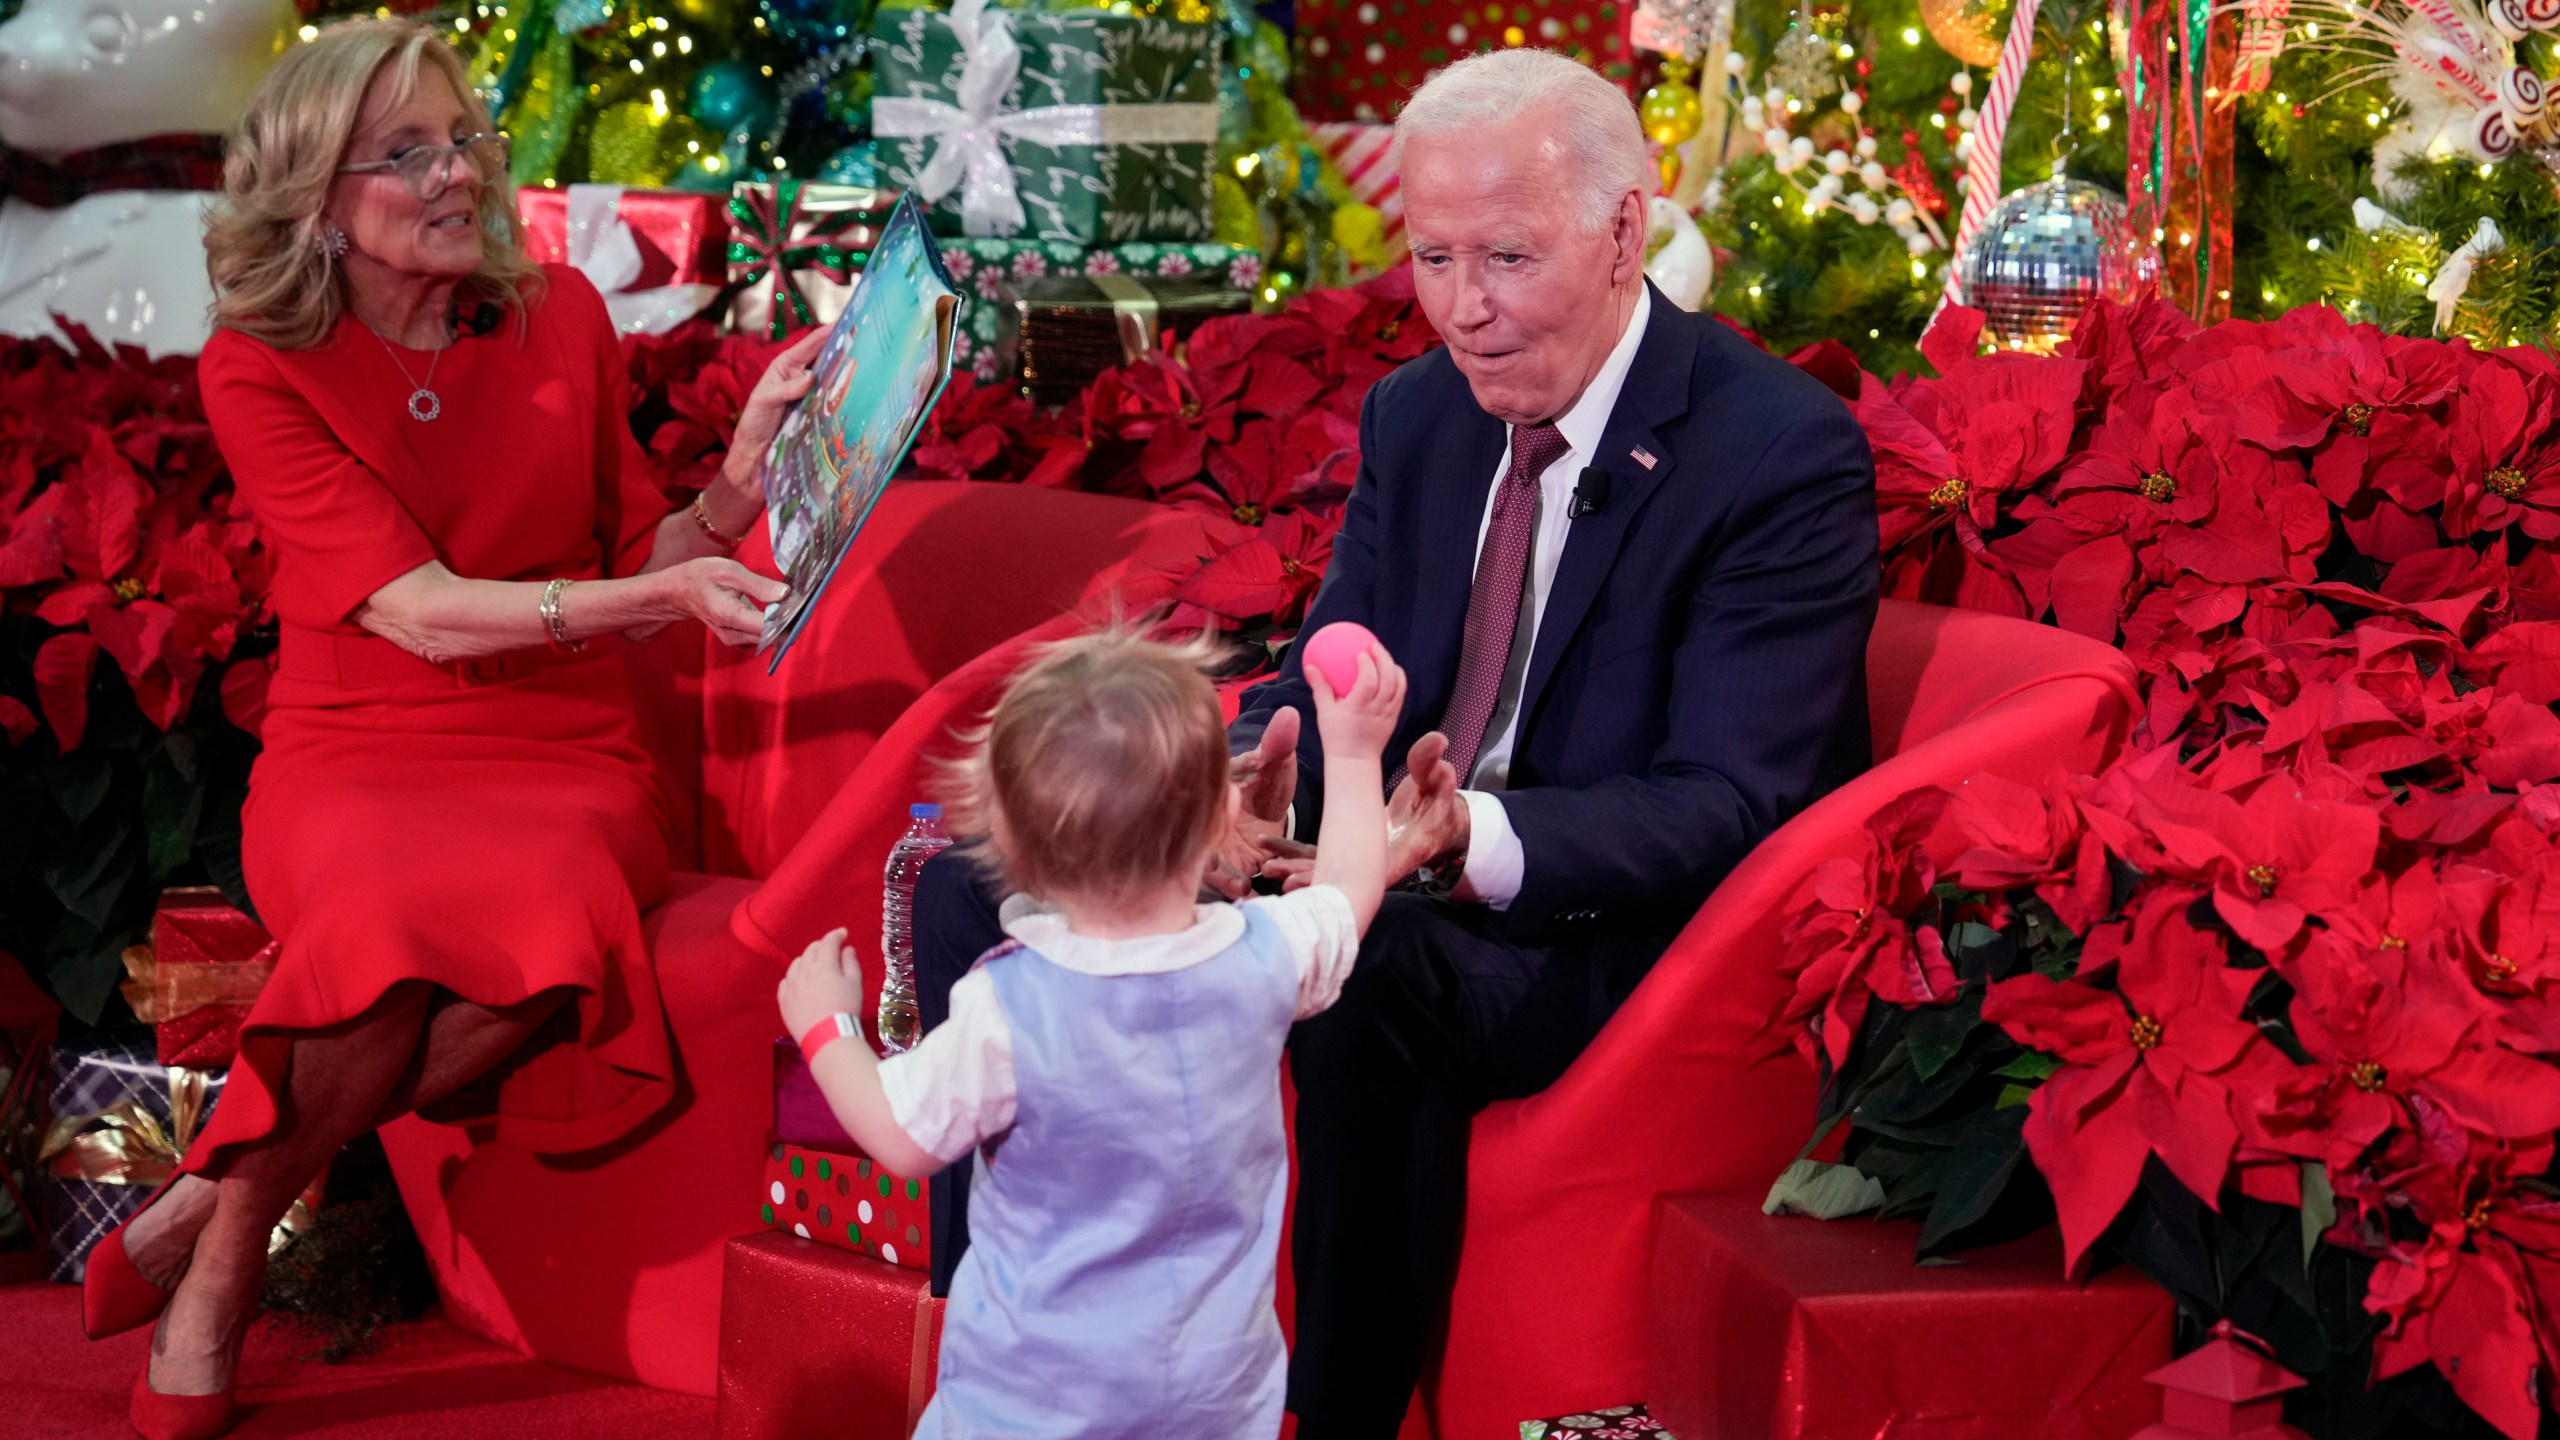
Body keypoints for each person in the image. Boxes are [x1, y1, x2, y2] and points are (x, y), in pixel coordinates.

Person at [911, 45, 1880, 1437]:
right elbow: (1335, 664)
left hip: (1588, 930)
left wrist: (1466, 838)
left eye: (1506, 257)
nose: (1466, 312)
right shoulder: (1420, 413)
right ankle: (994, 1369)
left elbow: (1733, 797)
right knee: (981, 888)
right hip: (1377, 858)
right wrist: (1235, 784)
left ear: (1624, 230)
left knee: (1374, 970)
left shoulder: (1773, 450)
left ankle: (1333, 1420)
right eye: (1433, 259)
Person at [84, 21, 826, 1440]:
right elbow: (419, 614)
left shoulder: (562, 315)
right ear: (316, 197)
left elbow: (636, 554)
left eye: (465, 142)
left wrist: (731, 489)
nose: (456, 175)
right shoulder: (258, 365)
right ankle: (226, 1255)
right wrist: (657, 590)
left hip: (561, 752)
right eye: (409, 153)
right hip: (360, 741)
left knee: (556, 922)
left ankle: (216, 1210)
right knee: (373, 920)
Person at [776, 626, 1406, 1438]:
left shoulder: (1009, 1005)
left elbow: (903, 1139)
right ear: (1223, 816)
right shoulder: (1264, 954)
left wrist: (828, 1027)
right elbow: (1351, 894)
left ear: (1008, 844)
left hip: (1028, 1406)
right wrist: (1354, 754)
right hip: (1212, 1399)